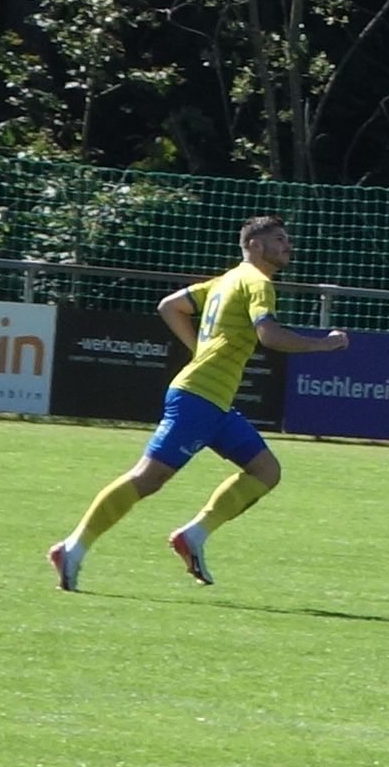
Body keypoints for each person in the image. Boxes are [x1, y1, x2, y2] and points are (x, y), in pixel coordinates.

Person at [47, 215, 349, 591]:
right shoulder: (258, 282)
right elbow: (269, 336)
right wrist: (324, 344)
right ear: (255, 245)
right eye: (279, 239)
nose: (287, 245)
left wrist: (198, 350)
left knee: (266, 471)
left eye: (287, 239)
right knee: (148, 477)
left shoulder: (226, 280)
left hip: (215, 404)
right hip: (198, 398)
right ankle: (72, 548)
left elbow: (170, 306)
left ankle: (193, 536)